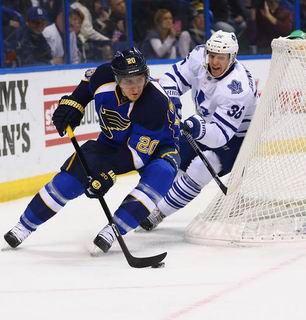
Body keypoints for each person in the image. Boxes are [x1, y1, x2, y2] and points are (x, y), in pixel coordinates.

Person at [3, 48, 180, 254]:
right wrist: (74, 104)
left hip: (159, 147)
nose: (135, 87)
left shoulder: (153, 104)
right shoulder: (102, 76)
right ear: (116, 78)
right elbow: (86, 87)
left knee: (162, 172)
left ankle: (114, 230)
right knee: (71, 178)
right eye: (127, 81)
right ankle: (23, 226)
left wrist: (105, 171)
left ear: (146, 76)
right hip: (110, 144)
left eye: (139, 79)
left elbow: (137, 157)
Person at [137, 30, 257, 232]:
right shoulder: (199, 56)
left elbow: (220, 136)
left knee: (203, 166)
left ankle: (159, 213)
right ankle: (146, 203)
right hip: (205, 124)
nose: (214, 62)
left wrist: (198, 128)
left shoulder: (236, 88)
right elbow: (170, 79)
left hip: (238, 137)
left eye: (221, 57)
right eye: (212, 55)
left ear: (232, 58)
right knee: (170, 160)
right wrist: (173, 101)